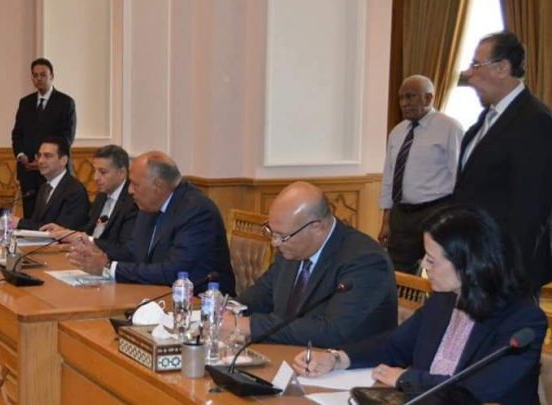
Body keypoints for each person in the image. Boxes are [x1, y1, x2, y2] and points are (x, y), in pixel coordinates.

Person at [293, 206, 546, 405]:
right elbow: (394, 345)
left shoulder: (523, 321)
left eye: (432, 260)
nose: (423, 265)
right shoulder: (444, 300)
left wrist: (406, 378)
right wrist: (338, 358)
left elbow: (475, 390)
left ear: (468, 265)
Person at [224, 182, 396, 347]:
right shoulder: (291, 248)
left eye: (282, 236)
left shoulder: (366, 261)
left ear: (316, 227)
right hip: (292, 354)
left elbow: (331, 331)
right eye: (271, 232)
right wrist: (229, 310)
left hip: (343, 362)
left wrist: (250, 326)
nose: (274, 243)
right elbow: (263, 293)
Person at [455, 31, 552, 291]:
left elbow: (531, 211)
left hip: (503, 271)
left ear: (502, 68)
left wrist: (505, 274)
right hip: (473, 260)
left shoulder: (535, 121)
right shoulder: (485, 120)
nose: (468, 74)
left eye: (476, 65)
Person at [66, 151, 235, 295]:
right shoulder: (149, 204)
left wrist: (108, 267)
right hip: (155, 293)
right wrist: (97, 252)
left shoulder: (196, 211)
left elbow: (174, 272)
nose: (130, 190)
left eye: (135, 184)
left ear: (157, 185)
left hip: (200, 302)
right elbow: (132, 252)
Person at [379, 75, 463, 274]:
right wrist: (386, 220)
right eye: (401, 98)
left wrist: (456, 218)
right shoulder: (397, 132)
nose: (404, 103)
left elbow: (458, 176)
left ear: (428, 98)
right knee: (398, 272)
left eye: (410, 97)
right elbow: (389, 176)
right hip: (401, 214)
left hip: (435, 211)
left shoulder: (449, 128)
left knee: (441, 270)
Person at [41, 145, 137, 261]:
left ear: (122, 173)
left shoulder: (133, 202)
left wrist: (81, 238)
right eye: (95, 171)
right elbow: (89, 230)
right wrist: (65, 232)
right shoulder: (101, 196)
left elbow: (123, 250)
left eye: (102, 172)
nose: (96, 178)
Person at [11, 58, 76, 218]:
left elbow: (66, 138)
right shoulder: (25, 102)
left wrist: (43, 159)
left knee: (53, 216)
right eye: (35, 75)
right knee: (30, 217)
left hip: (54, 171)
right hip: (29, 172)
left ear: (51, 76)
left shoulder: (65, 102)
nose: (39, 78)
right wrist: (21, 155)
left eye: (43, 75)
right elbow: (17, 133)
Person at [13, 137, 90, 231]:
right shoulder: (44, 188)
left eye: (47, 156)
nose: (40, 161)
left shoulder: (74, 190)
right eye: (39, 155)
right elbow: (36, 223)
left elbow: (62, 229)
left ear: (63, 160)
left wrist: (19, 223)